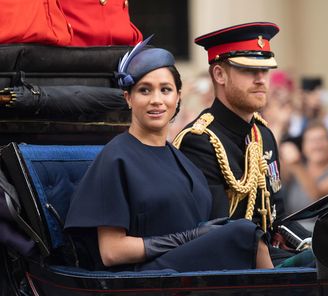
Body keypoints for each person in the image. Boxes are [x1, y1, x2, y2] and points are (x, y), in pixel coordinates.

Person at [64, 36, 273, 272]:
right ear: (128, 98)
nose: (157, 100)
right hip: (144, 277)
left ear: (178, 97)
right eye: (144, 90)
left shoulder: (180, 159)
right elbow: (112, 251)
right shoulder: (115, 157)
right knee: (245, 234)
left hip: (186, 271)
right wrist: (187, 238)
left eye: (165, 90)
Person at [173, 23, 313, 266]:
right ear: (219, 75)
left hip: (270, 252)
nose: (261, 80)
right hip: (233, 265)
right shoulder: (199, 140)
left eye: (265, 71)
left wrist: (309, 242)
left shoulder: (263, 133)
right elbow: (218, 231)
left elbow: (278, 215)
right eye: (249, 71)